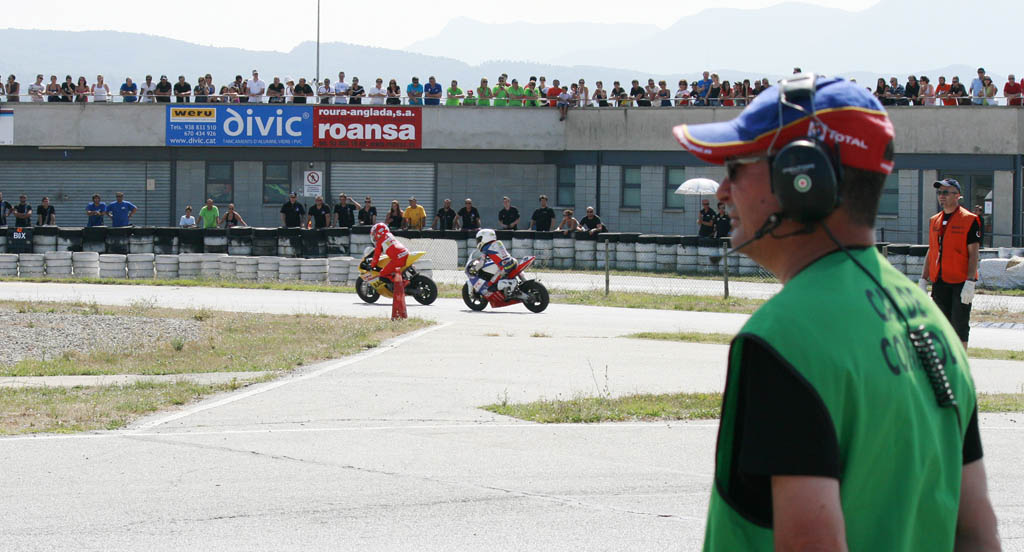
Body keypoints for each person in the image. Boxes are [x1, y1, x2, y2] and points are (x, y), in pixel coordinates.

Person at [673, 75, 997, 551]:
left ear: (801, 178)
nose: (723, 191)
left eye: (737, 167)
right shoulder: (934, 327)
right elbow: (977, 534)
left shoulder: (785, 338)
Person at [920, 178, 982, 350]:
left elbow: (974, 253)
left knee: (959, 326)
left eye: (946, 192)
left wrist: (970, 282)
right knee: (941, 325)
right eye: (940, 192)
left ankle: (960, 361)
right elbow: (932, 250)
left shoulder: (970, 219)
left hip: (960, 282)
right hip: (940, 281)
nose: (942, 196)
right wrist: (923, 279)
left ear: (957, 195)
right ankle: (945, 360)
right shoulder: (934, 220)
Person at [471, 228, 518, 297]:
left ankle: (511, 284)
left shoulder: (486, 248)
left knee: (490, 285)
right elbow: (499, 255)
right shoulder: (498, 242)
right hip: (512, 261)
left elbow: (481, 263)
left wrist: (475, 269)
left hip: (505, 266)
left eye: (479, 239)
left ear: (485, 238)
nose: (478, 242)